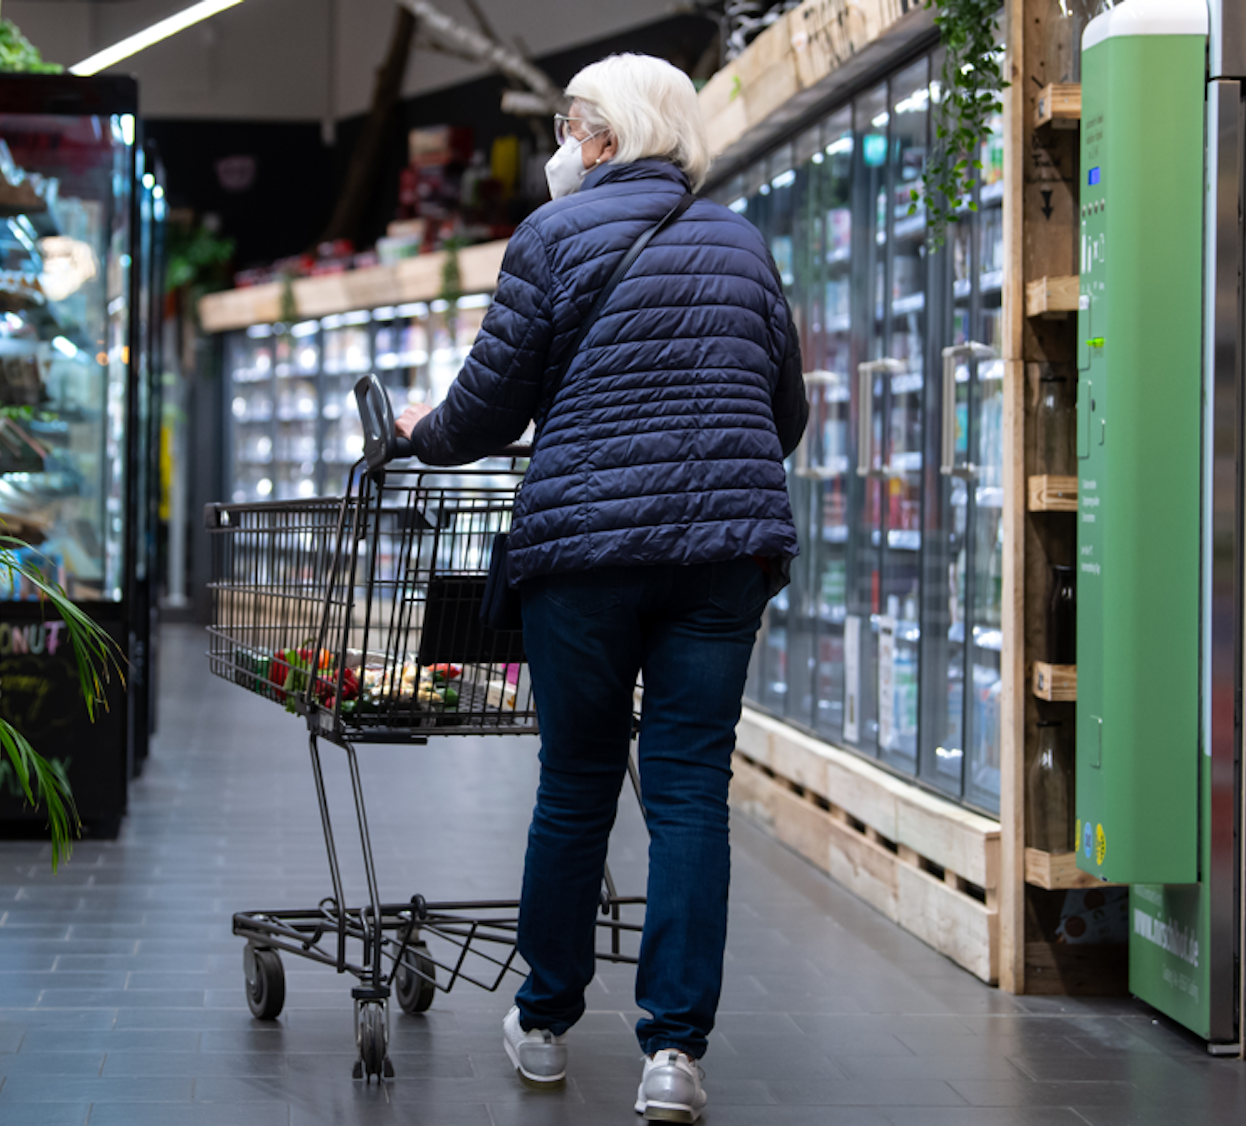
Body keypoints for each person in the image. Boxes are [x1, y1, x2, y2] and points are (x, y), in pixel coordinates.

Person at [395, 52, 806, 1125]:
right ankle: (673, 1054)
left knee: (575, 785)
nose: (560, 145)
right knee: (685, 794)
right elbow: (785, 410)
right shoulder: (742, 243)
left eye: (570, 125)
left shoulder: (552, 238)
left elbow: (485, 407)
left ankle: (542, 1022)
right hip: (721, 557)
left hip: (583, 555)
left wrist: (417, 438)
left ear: (607, 139)